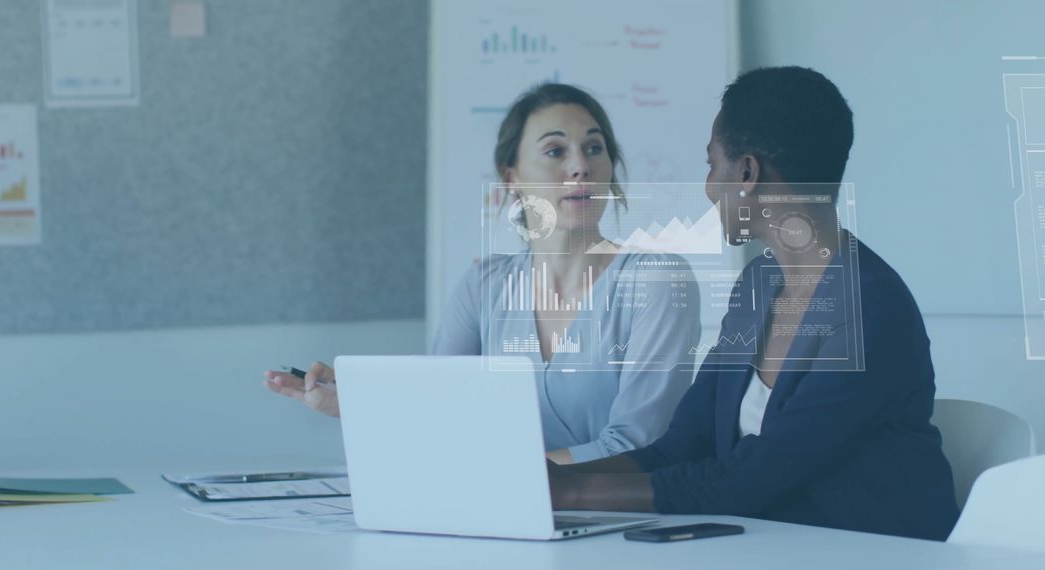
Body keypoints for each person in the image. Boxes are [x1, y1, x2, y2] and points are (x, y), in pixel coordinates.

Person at [546, 66, 961, 541]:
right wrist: (555, 481)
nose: (707, 187)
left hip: (877, 554)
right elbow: (682, 447)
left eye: (711, 165)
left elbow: (746, 480)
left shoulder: (870, 307)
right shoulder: (757, 285)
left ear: (746, 172)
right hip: (770, 548)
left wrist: (573, 495)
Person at [265, 83, 702, 464]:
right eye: (555, 151)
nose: (580, 167)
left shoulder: (657, 282)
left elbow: (639, 443)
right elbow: (439, 414)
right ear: (511, 177)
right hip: (500, 522)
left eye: (594, 148)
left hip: (626, 530)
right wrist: (360, 405)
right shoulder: (484, 286)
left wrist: (501, 470)